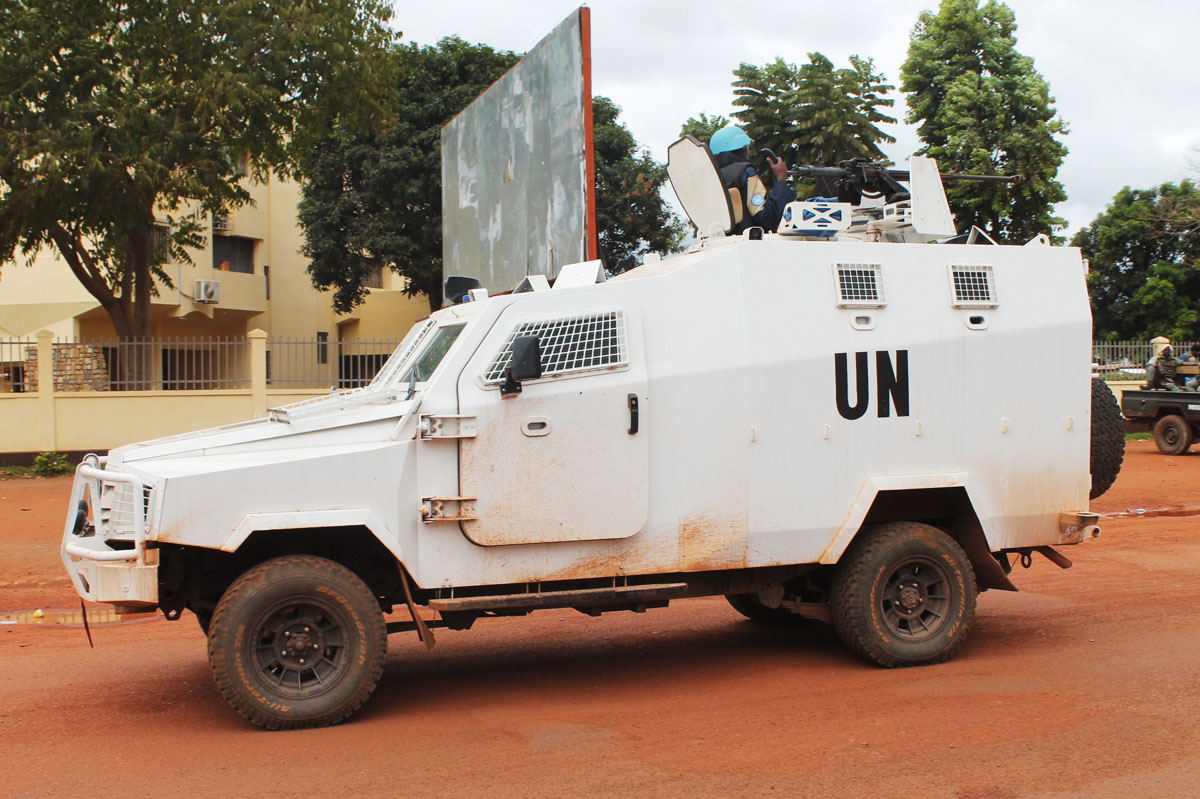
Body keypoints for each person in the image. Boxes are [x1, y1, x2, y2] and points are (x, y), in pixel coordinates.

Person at [708, 125, 795, 234]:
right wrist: (781, 178)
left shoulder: (713, 176)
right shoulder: (746, 172)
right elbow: (765, 218)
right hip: (749, 243)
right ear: (743, 148)